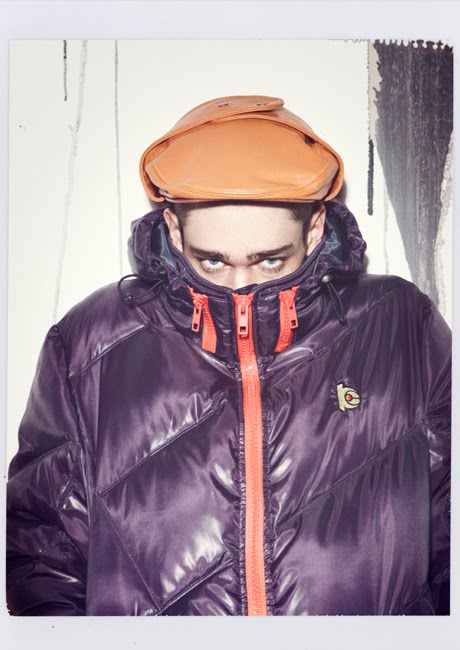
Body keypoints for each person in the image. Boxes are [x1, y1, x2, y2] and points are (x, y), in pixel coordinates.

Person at [6, 95, 451, 616]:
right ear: (174, 229)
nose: (241, 287)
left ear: (313, 228)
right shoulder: (88, 343)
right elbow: (43, 551)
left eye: (270, 262)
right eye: (212, 262)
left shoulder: (400, 324)